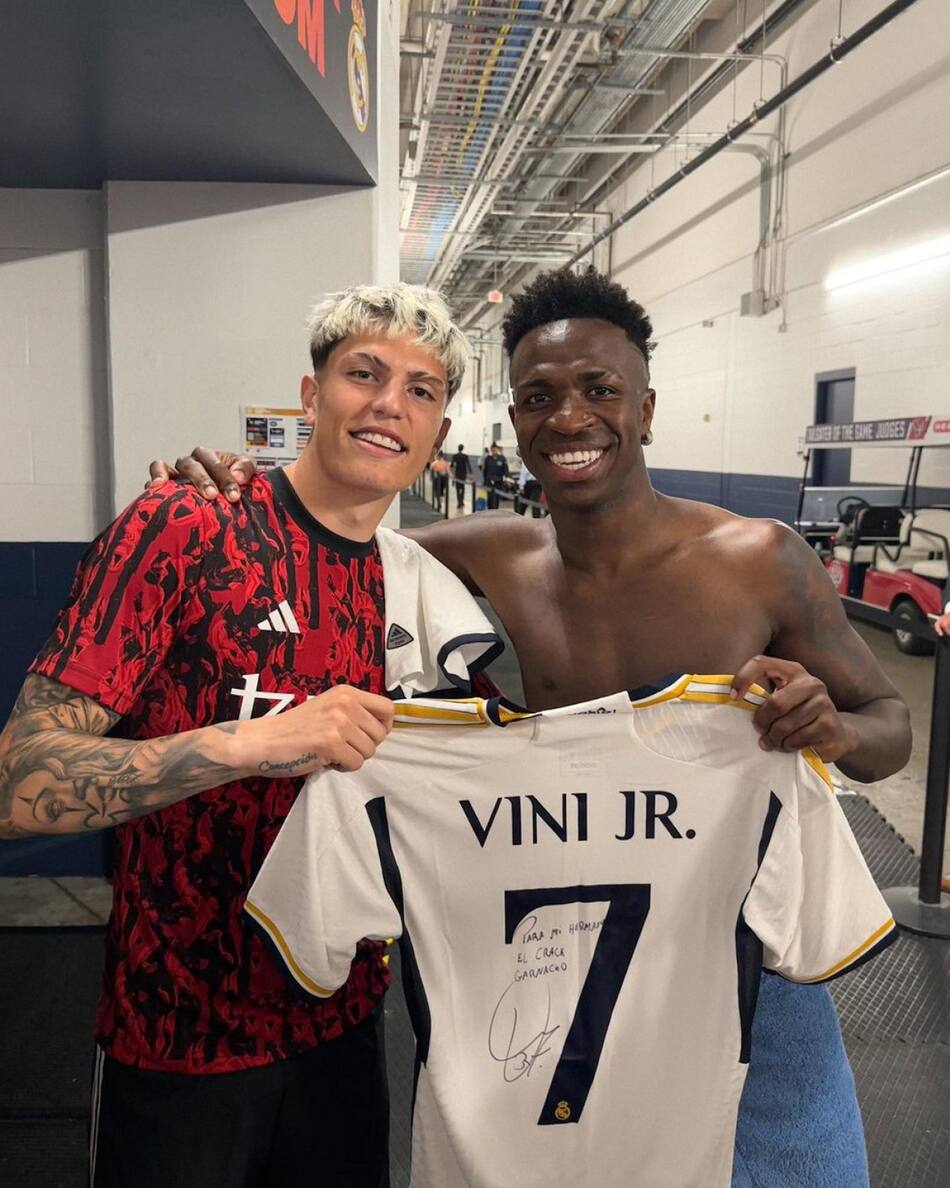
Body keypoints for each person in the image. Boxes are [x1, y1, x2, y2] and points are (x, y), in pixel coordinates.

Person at [150, 267, 911, 1187]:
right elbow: (327, 531)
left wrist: (830, 726)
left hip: (741, 947)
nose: (571, 417)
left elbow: (891, 726)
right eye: (540, 397)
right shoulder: (490, 554)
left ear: (646, 409)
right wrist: (235, 491)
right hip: (569, 949)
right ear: (515, 421)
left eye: (601, 391)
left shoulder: (756, 559)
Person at [0, 283, 482, 1188]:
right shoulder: (185, 522)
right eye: (363, 374)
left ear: (439, 436)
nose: (389, 403)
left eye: (421, 390)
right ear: (309, 396)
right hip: (177, 1036)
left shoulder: (415, 584)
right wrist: (246, 743)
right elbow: (16, 781)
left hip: (342, 1029)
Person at [483, 443, 510, 510]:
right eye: (492, 450)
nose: (493, 451)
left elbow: (506, 470)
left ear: (497, 449)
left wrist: (506, 479)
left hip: (498, 482)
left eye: (495, 450)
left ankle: (495, 512)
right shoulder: (488, 458)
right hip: (489, 481)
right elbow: (485, 470)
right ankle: (489, 511)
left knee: (496, 499)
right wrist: (485, 481)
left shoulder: (502, 459)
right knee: (490, 498)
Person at [450, 443, 471, 509]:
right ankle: (462, 501)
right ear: (462, 448)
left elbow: (452, 465)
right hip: (463, 474)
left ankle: (459, 502)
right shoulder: (465, 456)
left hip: (457, 474)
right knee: (462, 488)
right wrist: (470, 473)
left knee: (457, 488)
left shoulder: (455, 456)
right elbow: (468, 465)